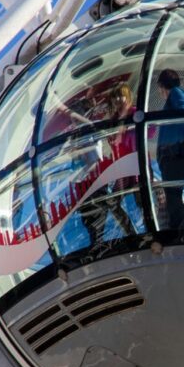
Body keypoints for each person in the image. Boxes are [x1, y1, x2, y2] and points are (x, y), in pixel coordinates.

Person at [79, 83, 137, 246]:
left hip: (132, 165)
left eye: (121, 95)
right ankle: (131, 232)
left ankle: (135, 232)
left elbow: (147, 132)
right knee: (115, 201)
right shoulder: (113, 120)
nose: (119, 99)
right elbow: (113, 142)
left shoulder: (133, 113)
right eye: (116, 96)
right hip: (121, 167)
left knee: (136, 200)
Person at [155, 68, 184, 231]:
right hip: (174, 155)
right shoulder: (176, 95)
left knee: (173, 198)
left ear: (162, 85)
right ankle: (180, 230)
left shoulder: (176, 94)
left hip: (175, 155)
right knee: (173, 197)